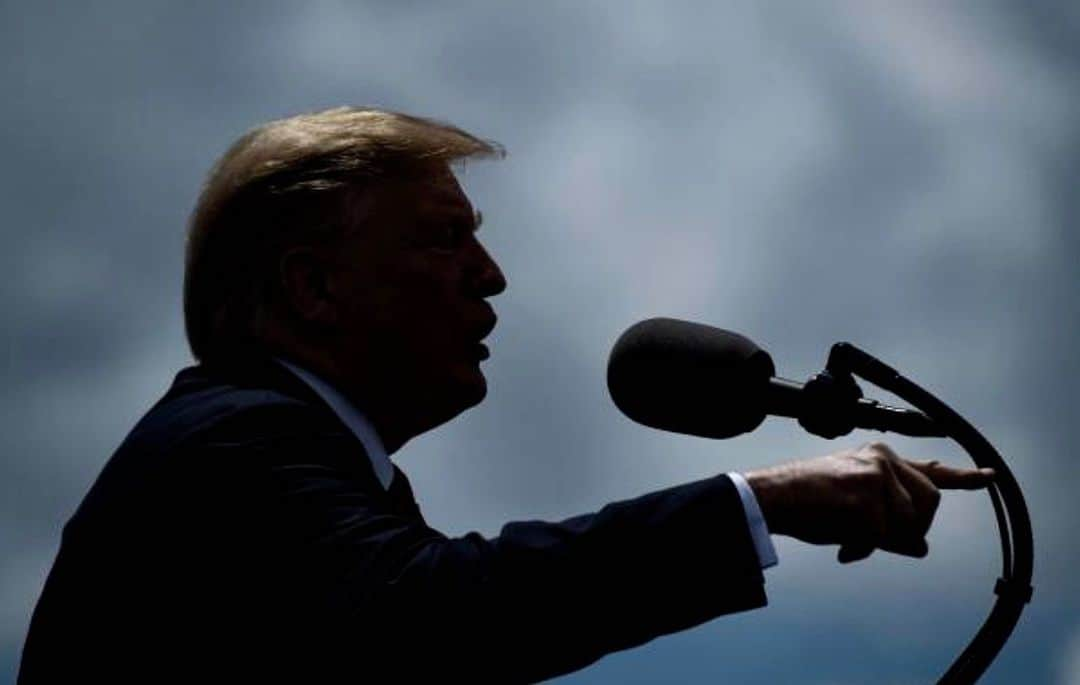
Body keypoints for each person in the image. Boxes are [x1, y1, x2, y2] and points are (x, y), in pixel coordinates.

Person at [17, 107, 995, 683]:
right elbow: (432, 616)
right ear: (314, 287)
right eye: (445, 238)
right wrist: (767, 501)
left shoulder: (289, 461)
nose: (492, 276)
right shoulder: (235, 443)